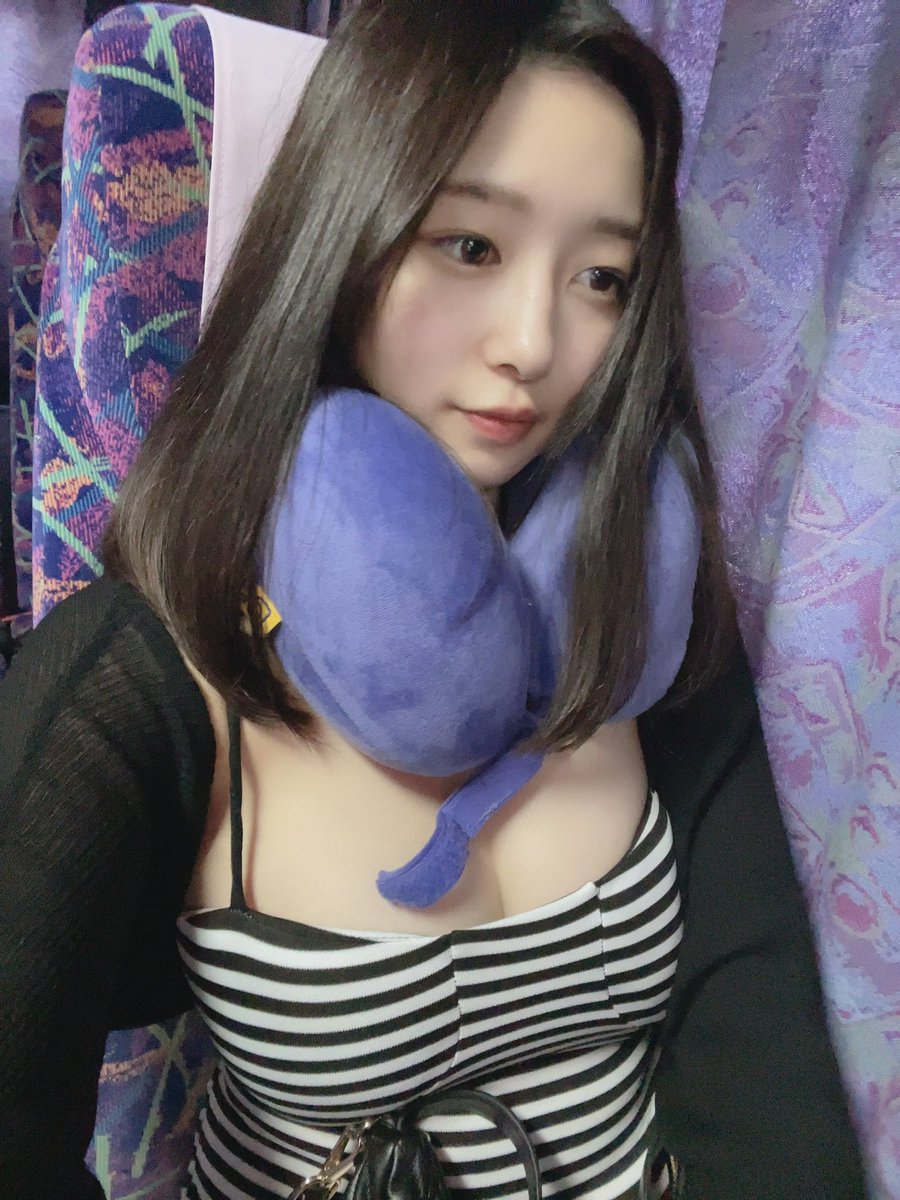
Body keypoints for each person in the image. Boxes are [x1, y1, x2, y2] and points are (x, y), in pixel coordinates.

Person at [0, 2, 867, 1198]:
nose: (534, 343)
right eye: (469, 246)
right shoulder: (149, 671)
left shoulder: (634, 601)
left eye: (602, 277)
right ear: (340, 238)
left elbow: (762, 1063)